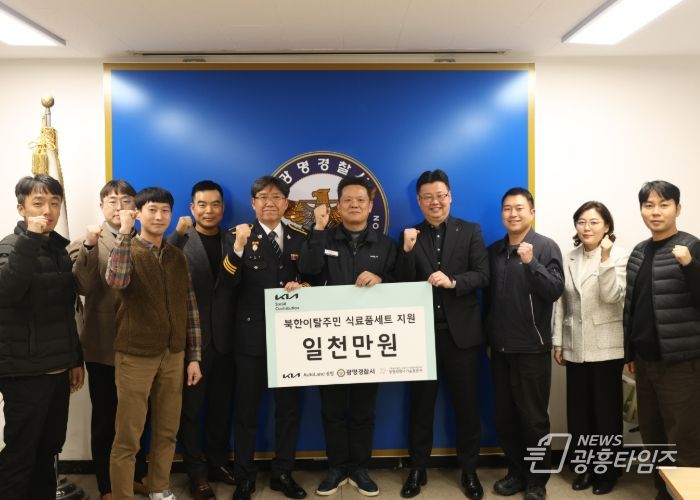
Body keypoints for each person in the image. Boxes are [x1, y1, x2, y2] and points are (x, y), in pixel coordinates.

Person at [299, 176, 397, 497]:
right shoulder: (323, 236)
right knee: (332, 409)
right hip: (330, 342)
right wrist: (317, 229)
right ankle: (337, 467)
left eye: (360, 200)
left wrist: (382, 278)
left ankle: (360, 468)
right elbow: (308, 270)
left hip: (370, 342)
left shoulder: (385, 245)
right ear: (338, 205)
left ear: (370, 205)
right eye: (347, 200)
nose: (354, 204)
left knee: (364, 410)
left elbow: (402, 283)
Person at [395, 169, 489, 499]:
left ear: (450, 196)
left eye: (440, 195)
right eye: (427, 197)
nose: (435, 202)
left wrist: (454, 282)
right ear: (418, 201)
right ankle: (417, 468)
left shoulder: (471, 231)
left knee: (467, 407)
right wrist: (407, 252)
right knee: (421, 407)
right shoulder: (410, 235)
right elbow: (401, 283)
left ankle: (469, 470)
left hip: (461, 336)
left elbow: (483, 275)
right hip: (420, 337)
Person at [106, 186, 203, 500]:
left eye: (165, 210)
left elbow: (190, 308)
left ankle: (159, 488)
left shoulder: (177, 257)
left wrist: (194, 356)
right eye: (152, 210)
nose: (159, 216)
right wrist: (124, 232)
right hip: (135, 355)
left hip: (174, 355)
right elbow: (117, 280)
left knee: (167, 430)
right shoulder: (127, 249)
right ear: (138, 213)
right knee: (128, 436)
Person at [220, 175, 309, 500]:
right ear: (253, 203)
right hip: (251, 337)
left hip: (291, 339)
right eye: (263, 197)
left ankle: (283, 473)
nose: (269, 203)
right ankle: (245, 476)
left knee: (288, 410)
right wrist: (239, 249)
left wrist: (305, 287)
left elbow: (314, 276)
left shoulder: (300, 236)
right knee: (246, 411)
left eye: (276, 197)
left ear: (286, 203)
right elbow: (227, 284)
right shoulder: (237, 236)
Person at [0, 174, 84, 499]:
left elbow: (67, 311)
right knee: (20, 453)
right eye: (38, 203)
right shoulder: (10, 246)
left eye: (54, 203)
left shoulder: (59, 250)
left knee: (48, 450)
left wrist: (75, 359)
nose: (47, 211)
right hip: (24, 372)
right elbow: (9, 291)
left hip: (58, 370)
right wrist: (31, 239)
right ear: (21, 208)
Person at [69, 179, 149, 499]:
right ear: (101, 207)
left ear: (135, 207)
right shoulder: (86, 241)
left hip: (141, 344)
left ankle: (136, 476)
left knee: (139, 417)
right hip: (103, 345)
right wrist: (90, 246)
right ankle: (106, 485)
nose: (119, 207)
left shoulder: (146, 238)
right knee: (106, 418)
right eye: (112, 201)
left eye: (126, 201)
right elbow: (82, 286)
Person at [623, 180, 700, 500]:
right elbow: (631, 306)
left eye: (664, 204)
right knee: (652, 433)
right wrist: (629, 352)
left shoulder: (691, 247)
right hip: (645, 361)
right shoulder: (639, 251)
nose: (656, 212)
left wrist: (690, 266)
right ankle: (663, 491)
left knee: (685, 435)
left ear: (677, 209)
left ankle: (687, 493)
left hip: (681, 361)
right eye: (649, 205)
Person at [485, 187, 564, 500]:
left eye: (519, 208)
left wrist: (532, 263)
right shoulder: (494, 251)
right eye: (507, 208)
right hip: (500, 350)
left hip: (532, 348)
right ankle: (516, 473)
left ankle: (536, 481)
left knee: (533, 420)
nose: (513, 214)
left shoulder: (545, 247)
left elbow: (555, 290)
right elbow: (488, 301)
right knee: (505, 418)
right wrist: (489, 339)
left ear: (532, 212)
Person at [552, 201, 627, 495]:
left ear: (606, 226)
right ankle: (583, 469)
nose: (587, 228)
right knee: (579, 413)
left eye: (594, 222)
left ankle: (607, 473)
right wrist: (558, 341)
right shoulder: (569, 257)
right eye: (582, 222)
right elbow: (561, 303)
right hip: (575, 346)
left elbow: (612, 296)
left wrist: (605, 258)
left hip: (607, 346)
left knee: (606, 414)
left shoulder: (619, 256)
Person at [168, 180, 236, 500]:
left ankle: (218, 463)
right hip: (191, 341)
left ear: (223, 207)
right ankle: (196, 473)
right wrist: (176, 234)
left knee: (222, 408)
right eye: (203, 205)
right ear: (192, 208)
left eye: (215, 204)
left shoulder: (234, 240)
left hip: (228, 341)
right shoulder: (179, 240)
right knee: (191, 411)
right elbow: (161, 264)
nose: (209, 211)